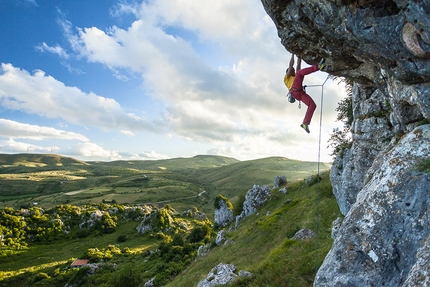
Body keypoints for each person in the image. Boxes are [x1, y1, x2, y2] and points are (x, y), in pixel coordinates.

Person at [284, 54, 325, 133]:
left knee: (312, 105)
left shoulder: (296, 76)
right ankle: (318, 67)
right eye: (291, 70)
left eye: (293, 70)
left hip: (300, 94)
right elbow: (291, 65)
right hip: (295, 90)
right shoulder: (287, 77)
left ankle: (305, 123)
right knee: (299, 73)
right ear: (288, 72)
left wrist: (299, 55)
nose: (293, 70)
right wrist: (292, 54)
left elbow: (298, 64)